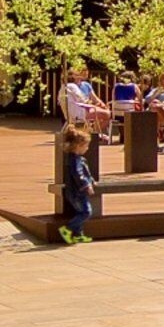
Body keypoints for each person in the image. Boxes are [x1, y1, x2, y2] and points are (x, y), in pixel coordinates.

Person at [54, 62, 110, 242]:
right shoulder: (71, 87)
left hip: (75, 190)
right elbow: (78, 173)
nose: (87, 149)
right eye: (85, 146)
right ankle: (68, 230)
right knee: (86, 211)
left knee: (84, 211)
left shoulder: (66, 88)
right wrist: (87, 184)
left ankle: (78, 234)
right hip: (77, 191)